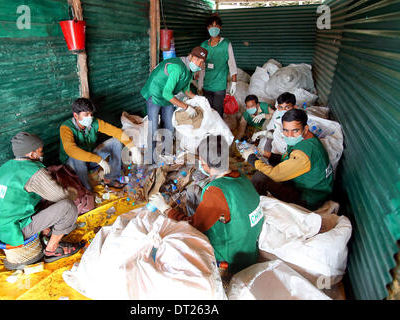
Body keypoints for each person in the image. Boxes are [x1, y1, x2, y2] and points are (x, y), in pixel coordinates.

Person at [149, 134, 263, 274]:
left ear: (204, 163)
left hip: (231, 260)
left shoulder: (215, 192)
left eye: (201, 161)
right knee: (193, 191)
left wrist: (165, 209)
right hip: (250, 250)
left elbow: (193, 226)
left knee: (172, 247)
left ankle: (220, 268)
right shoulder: (241, 176)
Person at [0, 132, 82, 266]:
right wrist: (72, 192)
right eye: (40, 151)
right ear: (31, 154)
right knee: (68, 207)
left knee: (42, 200)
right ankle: (52, 249)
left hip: (1, 226)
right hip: (16, 229)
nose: (42, 154)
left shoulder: (6, 167)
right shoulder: (32, 172)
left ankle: (46, 232)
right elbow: (61, 196)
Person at [241, 109, 334, 211]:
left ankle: (255, 210)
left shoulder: (303, 154)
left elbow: (276, 175)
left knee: (260, 178)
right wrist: (262, 152)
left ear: (305, 128)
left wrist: (251, 159)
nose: (289, 135)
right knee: (269, 165)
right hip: (311, 186)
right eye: (285, 130)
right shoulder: (307, 139)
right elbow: (288, 159)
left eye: (295, 130)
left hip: (310, 197)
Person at [141, 46, 208, 160]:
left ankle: (166, 155)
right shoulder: (178, 67)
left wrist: (198, 99)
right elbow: (167, 94)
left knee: (170, 125)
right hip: (155, 93)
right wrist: (186, 107)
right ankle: (150, 159)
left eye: (201, 62)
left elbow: (186, 90)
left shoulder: (189, 71)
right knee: (153, 128)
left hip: (167, 96)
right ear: (190, 56)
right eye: (197, 59)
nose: (198, 64)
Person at [59, 98, 142, 191]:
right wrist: (99, 160)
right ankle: (88, 190)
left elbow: (116, 132)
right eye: (86, 114)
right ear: (76, 115)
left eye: (91, 114)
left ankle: (112, 178)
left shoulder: (94, 122)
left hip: (90, 158)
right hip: (73, 164)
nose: (89, 117)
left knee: (116, 142)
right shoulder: (66, 128)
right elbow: (71, 150)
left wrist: (133, 148)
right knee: (77, 158)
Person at [198, 15, 238, 118]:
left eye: (216, 26)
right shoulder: (204, 45)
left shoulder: (226, 44)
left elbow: (232, 64)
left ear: (220, 27)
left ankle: (218, 134)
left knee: (218, 111)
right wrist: (199, 85)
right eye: (211, 26)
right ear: (207, 28)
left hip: (220, 85)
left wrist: (234, 83)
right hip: (207, 84)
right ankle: (209, 133)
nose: (214, 28)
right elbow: (201, 67)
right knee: (208, 110)